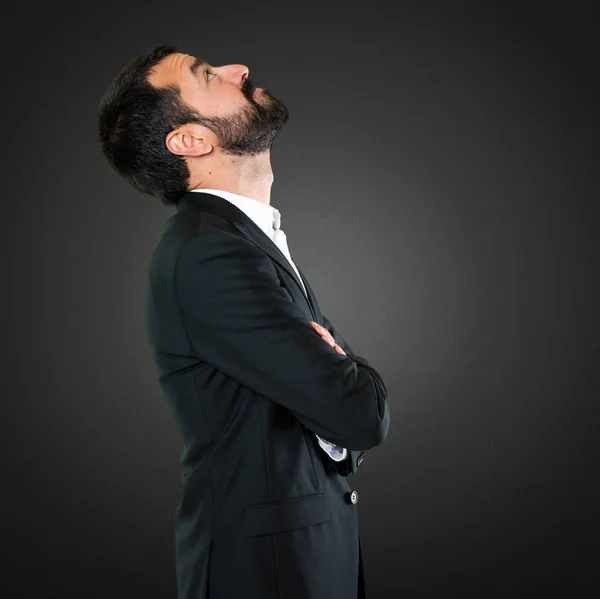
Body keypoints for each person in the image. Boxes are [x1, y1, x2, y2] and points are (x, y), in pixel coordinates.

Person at [97, 44, 390, 599]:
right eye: (207, 76)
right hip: (266, 574)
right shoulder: (211, 255)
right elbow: (361, 414)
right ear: (190, 140)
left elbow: (334, 403)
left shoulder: (240, 241)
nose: (239, 69)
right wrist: (346, 379)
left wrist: (335, 376)